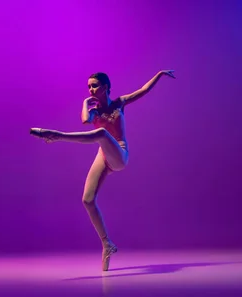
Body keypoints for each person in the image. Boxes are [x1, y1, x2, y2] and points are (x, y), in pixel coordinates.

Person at [30, 70, 175, 271]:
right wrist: (84, 103)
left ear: (106, 87)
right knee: (87, 200)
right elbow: (85, 120)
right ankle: (107, 244)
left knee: (101, 133)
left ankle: (57, 136)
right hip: (103, 154)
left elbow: (143, 90)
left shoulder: (119, 103)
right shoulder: (94, 112)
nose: (91, 89)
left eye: (95, 85)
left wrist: (159, 74)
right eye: (89, 86)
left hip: (119, 154)